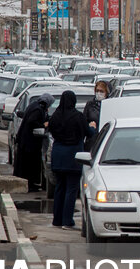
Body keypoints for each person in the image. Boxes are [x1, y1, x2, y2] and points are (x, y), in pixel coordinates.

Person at [47, 90, 93, 229]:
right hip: (74, 156)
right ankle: (67, 221)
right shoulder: (78, 116)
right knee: (71, 189)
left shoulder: (55, 116)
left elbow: (51, 131)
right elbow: (89, 133)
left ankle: (57, 220)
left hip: (58, 155)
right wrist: (92, 127)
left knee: (59, 188)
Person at [12, 93, 52, 192]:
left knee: (27, 164)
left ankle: (30, 183)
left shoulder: (34, 106)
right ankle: (29, 185)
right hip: (29, 142)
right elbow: (32, 121)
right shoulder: (37, 110)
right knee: (28, 165)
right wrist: (43, 125)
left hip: (26, 141)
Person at [83, 80, 110, 150]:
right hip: (92, 140)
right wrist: (89, 126)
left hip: (106, 139)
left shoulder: (111, 105)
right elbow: (83, 121)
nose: (99, 93)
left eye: (101, 91)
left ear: (107, 92)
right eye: (97, 91)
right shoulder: (90, 105)